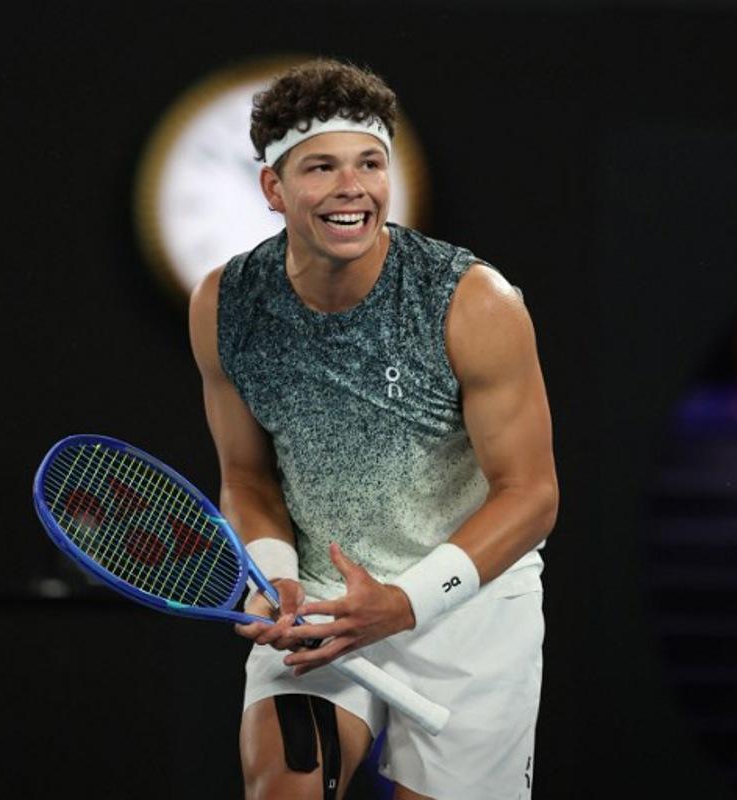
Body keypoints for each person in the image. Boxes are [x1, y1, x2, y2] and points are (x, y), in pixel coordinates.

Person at [188, 59, 558, 800]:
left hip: (468, 611)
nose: (351, 187)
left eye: (369, 163)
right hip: (320, 603)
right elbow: (248, 477)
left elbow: (532, 496)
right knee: (285, 788)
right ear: (273, 188)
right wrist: (277, 577)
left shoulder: (471, 300)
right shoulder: (225, 304)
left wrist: (405, 601)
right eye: (320, 167)